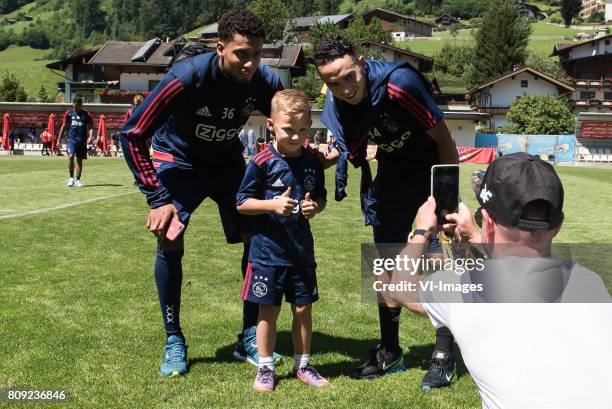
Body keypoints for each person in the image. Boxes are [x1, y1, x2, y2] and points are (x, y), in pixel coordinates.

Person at [120, 9, 283, 377]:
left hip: (226, 163)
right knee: (170, 236)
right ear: (220, 47)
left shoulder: (264, 80)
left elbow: (289, 113)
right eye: (242, 53)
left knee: (255, 237)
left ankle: (248, 336)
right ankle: (174, 338)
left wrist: (307, 154)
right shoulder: (186, 77)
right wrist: (157, 198)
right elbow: (131, 134)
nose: (250, 62)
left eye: (257, 54)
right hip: (180, 161)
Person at [392, 152, 612, 408]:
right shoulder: (590, 283)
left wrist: (421, 230)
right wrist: (478, 236)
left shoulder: (463, 289)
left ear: (486, 222)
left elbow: (400, 285)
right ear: (558, 225)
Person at [313, 36, 458, 385]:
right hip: (392, 174)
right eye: (334, 82)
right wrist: (325, 159)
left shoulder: (400, 84)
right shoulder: (338, 100)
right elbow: (349, 148)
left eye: (349, 76)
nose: (345, 88)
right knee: (385, 264)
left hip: (429, 173)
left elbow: (443, 138)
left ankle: (444, 354)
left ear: (361, 62)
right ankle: (390, 351)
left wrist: (446, 199)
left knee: (436, 263)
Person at [236, 89, 328, 392]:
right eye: (289, 129)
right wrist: (273, 205)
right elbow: (241, 202)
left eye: (303, 130)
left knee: (303, 309)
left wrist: (315, 207)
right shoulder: (262, 161)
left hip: (301, 252)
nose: (297, 135)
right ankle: (265, 368)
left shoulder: (313, 162)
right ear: (271, 125)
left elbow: (321, 198)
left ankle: (303, 365)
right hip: (267, 254)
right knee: (268, 312)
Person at [57, 96, 93, 187]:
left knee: (79, 160)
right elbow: (64, 126)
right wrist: (58, 140)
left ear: (81, 104)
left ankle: (78, 180)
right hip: (71, 139)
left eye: (79, 105)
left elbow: (91, 126)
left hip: (82, 140)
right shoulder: (69, 114)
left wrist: (90, 136)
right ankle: (71, 178)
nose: (77, 107)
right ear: (73, 104)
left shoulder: (86, 114)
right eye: (76, 105)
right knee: (71, 156)